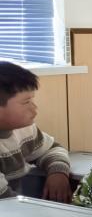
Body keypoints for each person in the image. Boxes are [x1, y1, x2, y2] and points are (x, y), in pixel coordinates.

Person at [0, 61, 71, 201]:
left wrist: (58, 173)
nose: (34, 107)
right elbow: (6, 203)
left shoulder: (24, 129)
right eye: (26, 102)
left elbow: (51, 149)